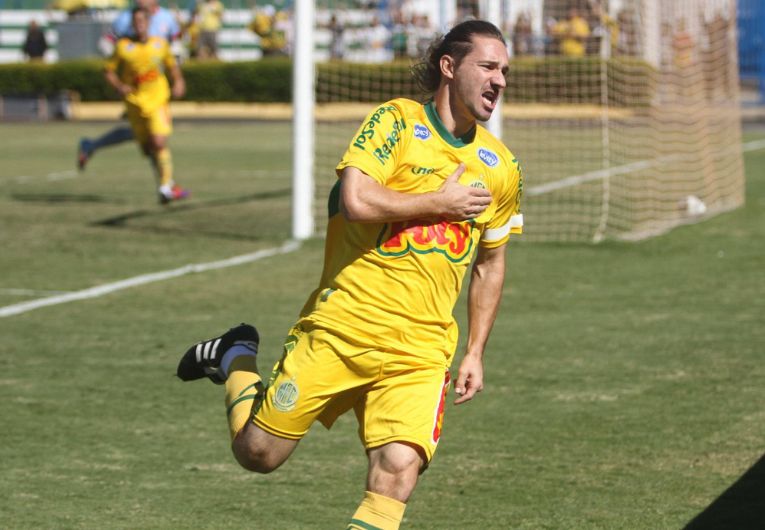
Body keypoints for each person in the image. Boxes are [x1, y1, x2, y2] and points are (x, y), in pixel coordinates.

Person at [176, 19, 523, 529]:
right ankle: (236, 356)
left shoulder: (501, 167)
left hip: (421, 350)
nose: (500, 81)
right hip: (343, 327)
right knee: (259, 454)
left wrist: (474, 350)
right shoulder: (397, 122)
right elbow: (357, 201)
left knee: (398, 469)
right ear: (449, 67)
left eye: (505, 71)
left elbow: (490, 263)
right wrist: (438, 201)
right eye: (489, 67)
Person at [77, 0, 180, 171]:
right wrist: (122, 66)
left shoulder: (167, 18)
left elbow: (175, 45)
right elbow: (106, 43)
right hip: (135, 92)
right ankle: (165, 186)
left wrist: (176, 74)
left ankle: (165, 186)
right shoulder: (125, 18)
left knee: (155, 139)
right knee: (148, 140)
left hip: (157, 89)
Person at [104, 7, 188, 204]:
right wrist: (119, 85)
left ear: (149, 23)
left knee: (159, 142)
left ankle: (165, 187)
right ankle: (169, 184)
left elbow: (172, 66)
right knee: (149, 149)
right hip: (134, 103)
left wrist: (179, 82)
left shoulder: (160, 45)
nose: (140, 24)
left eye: (143, 21)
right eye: (136, 21)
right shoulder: (123, 47)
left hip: (158, 100)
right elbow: (108, 70)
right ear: (132, 24)